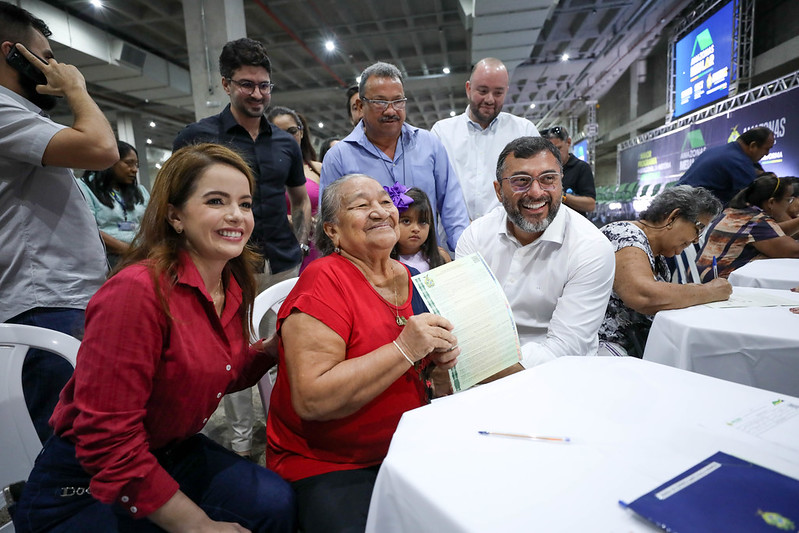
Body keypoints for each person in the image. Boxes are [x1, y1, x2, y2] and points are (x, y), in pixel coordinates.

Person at [13, 144, 296, 533]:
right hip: (88, 480)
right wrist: (197, 525)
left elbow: (219, 369)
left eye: (244, 204)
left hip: (169, 450)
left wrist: (272, 349)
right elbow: (106, 439)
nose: (236, 215)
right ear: (174, 215)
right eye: (216, 201)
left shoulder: (230, 282)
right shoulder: (136, 291)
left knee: (274, 502)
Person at [266, 174, 459, 533]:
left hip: (407, 444)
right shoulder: (323, 280)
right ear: (333, 231)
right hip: (330, 462)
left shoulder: (408, 274)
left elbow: (425, 374)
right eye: (360, 205)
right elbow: (312, 400)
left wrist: (439, 364)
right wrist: (405, 348)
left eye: (385, 202)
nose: (379, 212)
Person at [173, 37, 311, 459]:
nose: (257, 94)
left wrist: (302, 242)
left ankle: (282, 424)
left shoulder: (285, 143)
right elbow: (178, 199)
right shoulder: (199, 137)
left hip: (284, 261)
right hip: (228, 266)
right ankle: (239, 436)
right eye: (247, 84)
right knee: (230, 351)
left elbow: (301, 198)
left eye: (264, 85)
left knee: (285, 343)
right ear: (226, 84)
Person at [0, 2, 118, 443]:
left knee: (83, 442)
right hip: (44, 304)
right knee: (64, 453)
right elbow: (102, 149)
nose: (55, 66)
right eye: (45, 56)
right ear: (12, 54)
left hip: (60, 299)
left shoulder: (23, 114)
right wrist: (76, 90)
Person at [455, 136, 615, 371]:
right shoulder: (476, 237)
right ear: (498, 191)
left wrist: (474, 372)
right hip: (482, 364)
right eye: (521, 181)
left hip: (558, 376)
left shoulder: (590, 247)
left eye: (548, 179)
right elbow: (466, 321)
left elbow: (565, 349)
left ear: (561, 184)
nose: (536, 192)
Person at [320, 61, 469, 251]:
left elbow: (453, 209)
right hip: (368, 271)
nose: (391, 110)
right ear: (360, 105)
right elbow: (331, 225)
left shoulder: (429, 145)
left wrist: (464, 256)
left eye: (398, 101)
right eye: (380, 102)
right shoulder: (339, 157)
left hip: (426, 267)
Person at [598, 186, 732, 357]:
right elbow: (644, 295)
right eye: (698, 228)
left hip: (639, 345)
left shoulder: (655, 254)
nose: (696, 239)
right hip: (605, 348)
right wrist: (709, 290)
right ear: (673, 217)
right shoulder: (624, 234)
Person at [431, 57, 540, 220]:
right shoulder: (441, 133)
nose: (489, 99)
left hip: (510, 239)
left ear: (506, 91)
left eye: (498, 93)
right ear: (468, 88)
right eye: (482, 91)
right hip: (453, 240)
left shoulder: (524, 131)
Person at [696, 175, 799, 280]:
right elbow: (794, 252)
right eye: (788, 200)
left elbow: (776, 231)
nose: (788, 205)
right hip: (718, 281)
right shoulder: (755, 221)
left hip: (703, 274)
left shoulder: (738, 212)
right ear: (771, 202)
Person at [267, 106, 321, 272]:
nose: (286, 138)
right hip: (278, 250)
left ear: (301, 132)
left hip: (316, 247)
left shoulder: (319, 169)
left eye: (291, 131)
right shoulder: (262, 171)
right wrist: (292, 219)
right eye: (277, 132)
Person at [79, 140, 150, 267]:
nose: (135, 170)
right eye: (129, 163)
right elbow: (88, 229)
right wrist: (130, 251)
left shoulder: (140, 191)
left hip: (142, 256)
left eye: (137, 165)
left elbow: (153, 223)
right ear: (109, 162)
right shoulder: (85, 188)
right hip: (107, 259)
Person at [677, 126, 775, 205]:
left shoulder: (724, 152)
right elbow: (759, 201)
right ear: (753, 146)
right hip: (687, 208)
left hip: (675, 200)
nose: (767, 154)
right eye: (767, 149)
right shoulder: (739, 162)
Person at [388, 185, 451, 272]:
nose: (416, 229)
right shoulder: (383, 262)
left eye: (423, 222)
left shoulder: (441, 257)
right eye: (406, 221)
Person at [540, 125, 596, 216]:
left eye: (558, 148)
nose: (554, 154)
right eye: (549, 151)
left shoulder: (581, 168)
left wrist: (562, 196)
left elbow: (590, 205)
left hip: (574, 224)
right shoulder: (542, 169)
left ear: (568, 142)